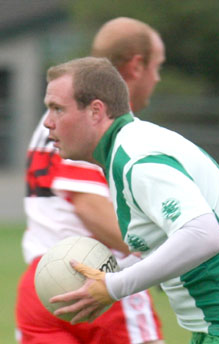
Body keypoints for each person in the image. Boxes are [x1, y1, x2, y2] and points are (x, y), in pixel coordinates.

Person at [42, 56, 219, 343]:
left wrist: (115, 286)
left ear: (95, 111)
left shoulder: (137, 158)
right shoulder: (127, 149)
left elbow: (204, 235)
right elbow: (170, 245)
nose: (47, 122)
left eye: (57, 109)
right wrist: (108, 277)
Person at [16, 17, 166, 344]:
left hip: (41, 281)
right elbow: (88, 206)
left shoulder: (55, 114)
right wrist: (165, 257)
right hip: (94, 275)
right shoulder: (92, 120)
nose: (157, 77)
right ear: (137, 66)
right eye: (158, 66)